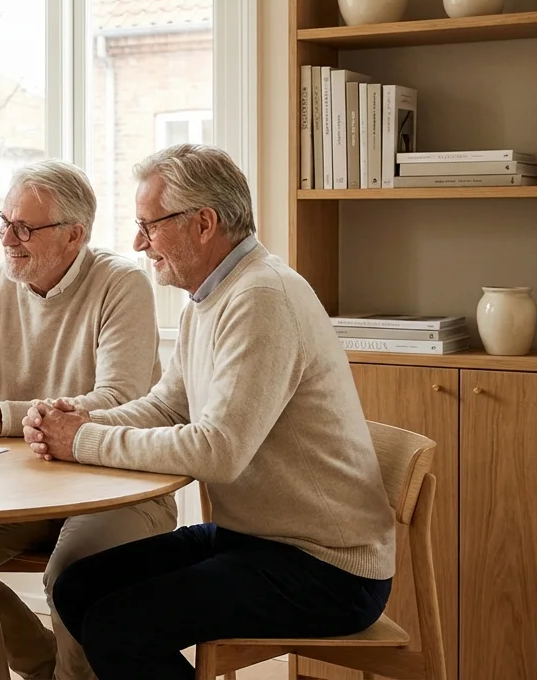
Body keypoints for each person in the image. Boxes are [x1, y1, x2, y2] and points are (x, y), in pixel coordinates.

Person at [24, 144, 395, 680]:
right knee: (78, 585)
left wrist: (79, 440)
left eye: (148, 225)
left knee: (117, 625)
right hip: (255, 539)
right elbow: (167, 404)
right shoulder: (210, 295)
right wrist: (79, 420)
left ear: (203, 223)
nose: (138, 243)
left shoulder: (262, 297)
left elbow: (218, 451)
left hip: (326, 567)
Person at [0, 159, 176, 680]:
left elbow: (119, 398)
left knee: (72, 572)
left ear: (75, 235)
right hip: (24, 490)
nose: (8, 238)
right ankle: (43, 667)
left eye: (25, 228)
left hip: (120, 486)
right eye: (4, 222)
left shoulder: (122, 283)